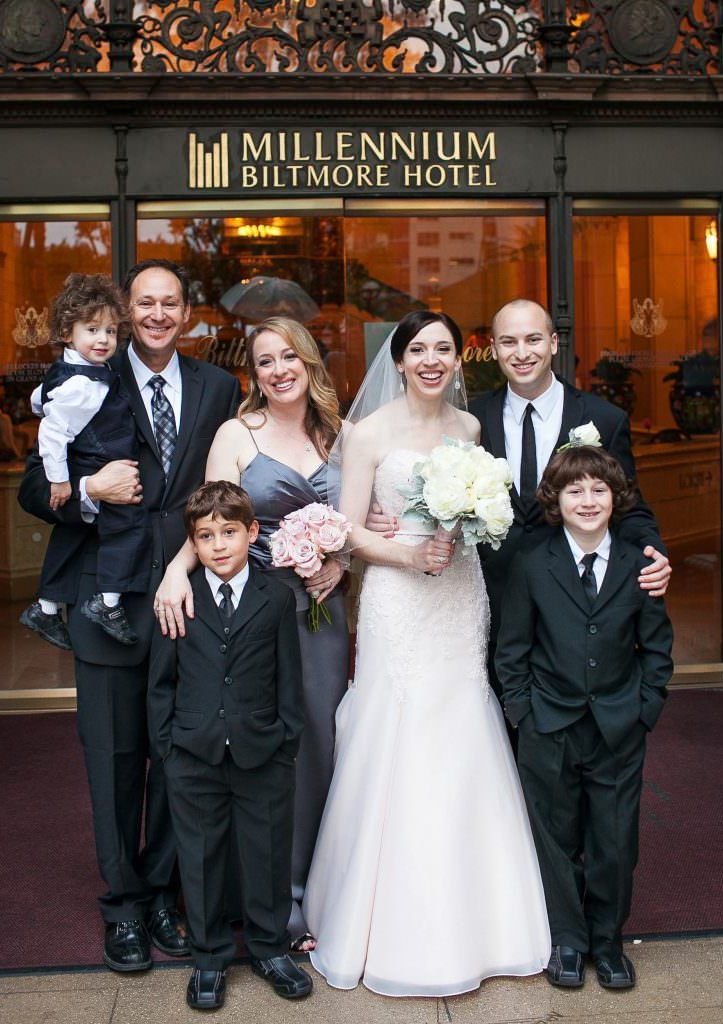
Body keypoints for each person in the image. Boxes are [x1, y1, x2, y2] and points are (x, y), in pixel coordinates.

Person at [302, 310, 551, 997]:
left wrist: (465, 530)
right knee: (399, 732)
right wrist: (406, 552)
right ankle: (383, 918)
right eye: (419, 349)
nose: (432, 359)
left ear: (458, 357)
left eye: (443, 348)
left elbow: (480, 516)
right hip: (398, 601)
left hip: (459, 594)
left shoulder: (469, 429)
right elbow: (346, 530)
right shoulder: (369, 432)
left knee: (461, 729)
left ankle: (485, 920)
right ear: (400, 359)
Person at [18, 259, 241, 972]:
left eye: (169, 303)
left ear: (187, 312)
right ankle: (124, 906)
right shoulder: (89, 369)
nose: (155, 314)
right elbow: (33, 485)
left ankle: (168, 894)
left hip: (190, 605)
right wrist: (88, 487)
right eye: (143, 303)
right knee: (113, 760)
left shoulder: (218, 386)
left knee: (180, 757)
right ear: (124, 312)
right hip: (102, 601)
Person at [154, 316, 349, 952]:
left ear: (309, 361)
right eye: (265, 362)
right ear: (254, 374)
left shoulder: (341, 434)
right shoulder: (237, 434)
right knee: (266, 751)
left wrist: (341, 561)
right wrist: (175, 573)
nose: (279, 370)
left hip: (323, 614)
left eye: (289, 356)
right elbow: (213, 518)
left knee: (321, 738)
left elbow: (365, 520)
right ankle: (270, 902)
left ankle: (319, 891)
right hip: (258, 616)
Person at [495, 446, 673, 991]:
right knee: (555, 835)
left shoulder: (640, 563)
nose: (588, 500)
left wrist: (644, 708)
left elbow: (657, 646)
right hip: (549, 722)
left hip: (619, 724)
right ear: (556, 499)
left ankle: (607, 940)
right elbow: (512, 649)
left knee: (615, 840)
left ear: (616, 498)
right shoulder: (532, 560)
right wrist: (523, 711)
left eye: (599, 489)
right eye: (575, 490)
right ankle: (567, 940)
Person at [148, 481, 312, 1010]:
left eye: (228, 533)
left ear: (251, 533)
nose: (218, 545)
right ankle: (210, 958)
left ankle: (269, 948)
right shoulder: (179, 597)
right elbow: (161, 683)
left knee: (266, 853)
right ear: (192, 545)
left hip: (262, 749)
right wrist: (169, 749)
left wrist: (285, 738)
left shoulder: (275, 598)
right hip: (193, 754)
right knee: (200, 857)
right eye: (205, 536)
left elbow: (290, 677)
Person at [468, 299, 671, 694]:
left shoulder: (603, 419)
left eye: (533, 339)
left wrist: (653, 550)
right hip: (492, 595)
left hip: (572, 596)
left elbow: (629, 505)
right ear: (493, 349)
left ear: (554, 343)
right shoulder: (473, 419)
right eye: (509, 342)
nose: (522, 353)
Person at [20, 273, 149, 650]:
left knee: (70, 534)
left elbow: (41, 401)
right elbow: (51, 433)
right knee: (129, 527)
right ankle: (107, 602)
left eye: (110, 331)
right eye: (92, 329)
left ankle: (45, 606)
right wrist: (62, 482)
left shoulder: (75, 372)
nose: (103, 339)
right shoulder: (82, 384)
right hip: (92, 467)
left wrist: (43, 402)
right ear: (66, 330)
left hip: (85, 466)